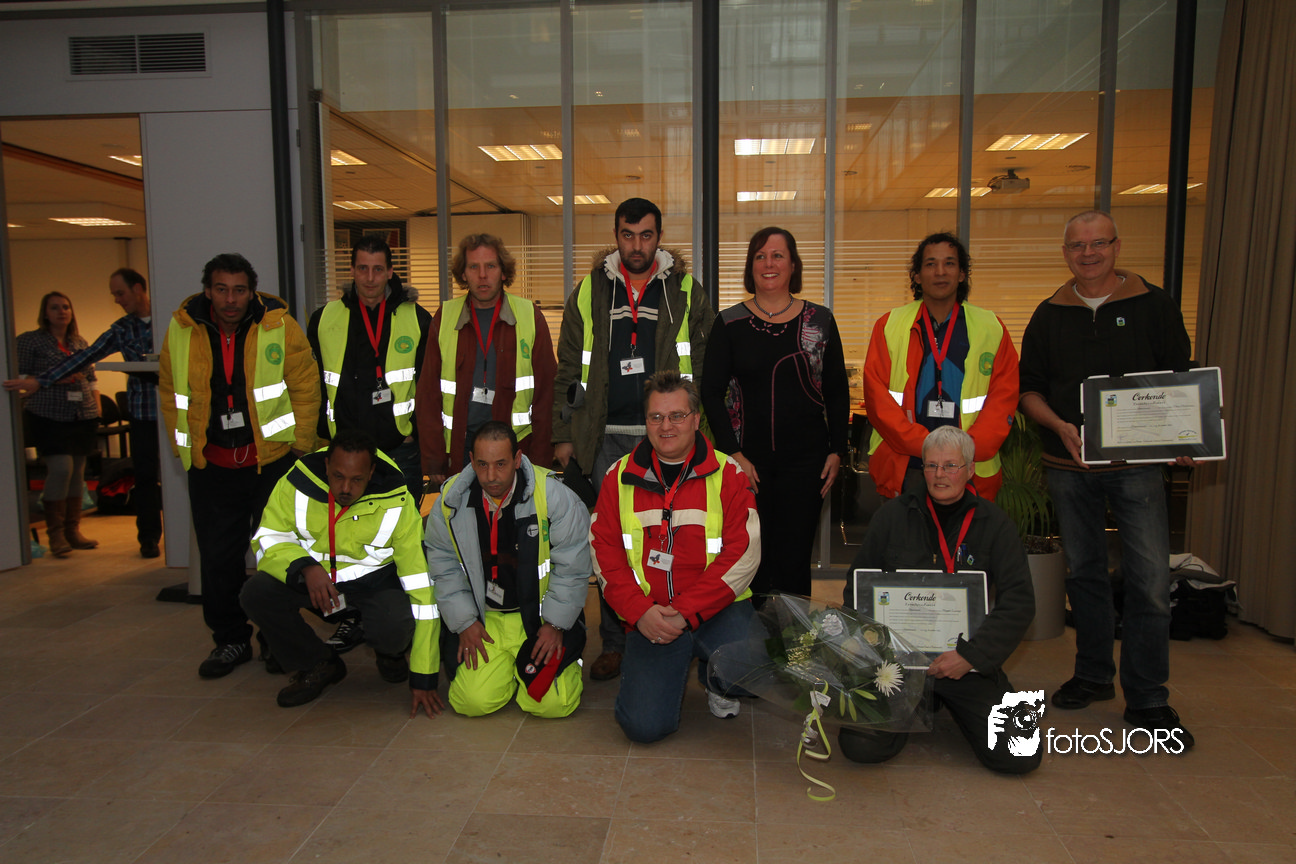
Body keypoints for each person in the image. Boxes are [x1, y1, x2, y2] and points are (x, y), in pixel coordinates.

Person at [1019, 210, 1195, 748]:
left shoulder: (1154, 305)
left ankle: (1147, 696)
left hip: (1137, 468)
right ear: (1065, 253)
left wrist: (1185, 435)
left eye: (1098, 243)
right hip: (1068, 467)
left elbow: (1180, 379)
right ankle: (1094, 675)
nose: (1088, 253)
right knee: (1085, 576)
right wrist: (1058, 426)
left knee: (1150, 583)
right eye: (1078, 245)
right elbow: (1029, 391)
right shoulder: (1049, 314)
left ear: (1117, 246)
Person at [553, 197, 715, 682]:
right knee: (614, 544)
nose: (637, 245)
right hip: (602, 436)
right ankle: (616, 643)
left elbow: (707, 364)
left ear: (659, 237)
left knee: (665, 538)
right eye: (628, 235)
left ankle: (671, 632)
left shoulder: (685, 289)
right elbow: (568, 365)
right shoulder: (590, 289)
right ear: (616, 235)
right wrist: (564, 435)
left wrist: (701, 429)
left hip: (665, 435)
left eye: (646, 235)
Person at [840, 426, 1040, 773]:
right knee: (860, 746)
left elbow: (1019, 602)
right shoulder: (891, 517)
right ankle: (921, 700)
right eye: (931, 465)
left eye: (950, 466)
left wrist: (971, 656)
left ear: (970, 469)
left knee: (1019, 753)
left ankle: (938, 700)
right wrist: (875, 649)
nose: (939, 474)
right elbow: (858, 588)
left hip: (966, 663)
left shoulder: (995, 524)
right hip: (897, 666)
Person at [159, 253, 320, 679]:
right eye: (222, 289)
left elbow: (305, 387)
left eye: (239, 290)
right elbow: (170, 390)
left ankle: (275, 639)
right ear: (207, 291)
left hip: (270, 463)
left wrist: (300, 448)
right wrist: (185, 449)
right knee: (218, 559)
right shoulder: (182, 329)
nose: (231, 300)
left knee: (277, 555)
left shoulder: (278, 325)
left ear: (252, 292)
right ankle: (230, 640)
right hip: (211, 466)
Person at [590, 370, 760, 743]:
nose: (666, 426)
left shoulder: (728, 474)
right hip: (650, 617)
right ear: (646, 422)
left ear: (696, 420)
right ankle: (669, 668)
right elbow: (605, 554)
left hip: (717, 611)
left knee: (753, 667)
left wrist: (685, 613)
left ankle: (717, 680)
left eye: (677, 416)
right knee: (643, 727)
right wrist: (640, 612)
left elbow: (743, 556)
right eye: (656, 417)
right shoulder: (619, 477)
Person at [240, 430, 442, 713]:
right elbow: (268, 537)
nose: (345, 488)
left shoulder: (397, 500)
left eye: (357, 479)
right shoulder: (296, 482)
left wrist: (424, 676)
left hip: (374, 584)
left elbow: (422, 592)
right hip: (316, 581)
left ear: (371, 472)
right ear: (326, 466)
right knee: (256, 593)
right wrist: (305, 567)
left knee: (394, 623)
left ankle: (390, 653)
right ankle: (318, 663)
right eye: (338, 476)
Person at [700, 226, 849, 598]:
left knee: (795, 559)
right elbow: (710, 393)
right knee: (751, 557)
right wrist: (734, 454)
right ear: (750, 267)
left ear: (793, 265)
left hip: (808, 465)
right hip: (749, 464)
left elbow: (836, 391)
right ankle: (751, 633)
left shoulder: (820, 321)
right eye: (760, 256)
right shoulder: (729, 323)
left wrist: (838, 450)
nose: (769, 264)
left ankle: (793, 634)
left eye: (778, 255)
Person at [307, 236, 432, 654]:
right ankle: (352, 618)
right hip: (344, 456)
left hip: (398, 451)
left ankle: (395, 626)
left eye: (379, 269)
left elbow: (429, 383)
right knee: (345, 542)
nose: (371, 278)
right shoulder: (325, 318)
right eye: (363, 268)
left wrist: (417, 433)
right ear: (352, 270)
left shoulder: (417, 317)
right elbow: (313, 384)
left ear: (391, 272)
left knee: (397, 543)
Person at [426, 421, 589, 718]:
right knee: (471, 703)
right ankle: (509, 671)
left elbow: (573, 567)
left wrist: (556, 625)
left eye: (501, 464)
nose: (491, 476)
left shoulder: (554, 496)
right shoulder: (450, 502)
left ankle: (542, 669)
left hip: (541, 618)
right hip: (485, 620)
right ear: (471, 461)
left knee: (553, 706)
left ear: (517, 459)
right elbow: (443, 565)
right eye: (482, 465)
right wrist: (465, 622)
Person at [5, 269, 163, 558]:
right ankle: (149, 538)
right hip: (142, 412)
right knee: (144, 476)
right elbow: (84, 358)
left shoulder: (173, 320)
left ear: (139, 289)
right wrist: (41, 380)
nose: (117, 300)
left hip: (178, 410)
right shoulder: (121, 329)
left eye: (120, 293)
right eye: (114, 295)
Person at [863, 233, 1019, 501]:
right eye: (930, 264)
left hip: (969, 467)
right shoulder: (889, 326)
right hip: (908, 466)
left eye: (949, 263)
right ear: (916, 275)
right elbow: (878, 399)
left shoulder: (991, 327)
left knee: (967, 530)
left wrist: (966, 449)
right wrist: (924, 445)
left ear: (962, 274)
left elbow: (1004, 396)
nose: (940, 272)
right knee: (907, 530)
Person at [416, 233, 555, 485]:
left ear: (503, 272)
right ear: (463, 273)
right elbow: (428, 394)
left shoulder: (529, 316)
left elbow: (547, 395)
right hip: (460, 448)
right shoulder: (445, 317)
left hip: (515, 449)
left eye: (490, 266)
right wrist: (434, 458)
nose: (482, 275)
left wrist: (541, 460)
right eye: (474, 267)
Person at [8, 292, 101, 557]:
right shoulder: (30, 341)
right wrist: (51, 378)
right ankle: (56, 533)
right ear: (45, 313)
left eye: (66, 307)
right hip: (48, 415)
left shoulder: (79, 342)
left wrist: (96, 407)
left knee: (77, 474)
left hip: (81, 415)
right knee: (61, 469)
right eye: (55, 308)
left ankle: (73, 531)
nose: (62, 312)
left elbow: (91, 378)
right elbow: (19, 375)